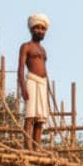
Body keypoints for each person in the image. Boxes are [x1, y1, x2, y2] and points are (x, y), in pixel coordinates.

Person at [18, 14, 50, 149]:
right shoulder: (26, 46)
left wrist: (47, 90)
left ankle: (37, 147)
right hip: (31, 81)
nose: (40, 31)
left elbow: (45, 69)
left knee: (40, 118)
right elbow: (20, 68)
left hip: (43, 83)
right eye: (37, 28)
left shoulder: (43, 50)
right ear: (31, 29)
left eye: (43, 28)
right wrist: (23, 87)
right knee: (30, 115)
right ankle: (28, 147)